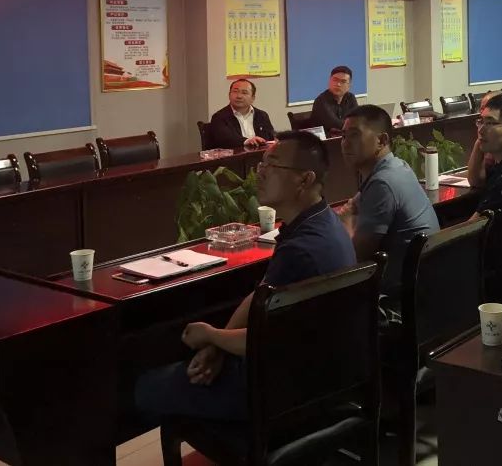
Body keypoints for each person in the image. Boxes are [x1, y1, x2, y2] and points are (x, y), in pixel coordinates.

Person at [134, 132, 356, 422]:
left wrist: (212, 335)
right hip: (314, 379)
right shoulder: (323, 221)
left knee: (144, 386)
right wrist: (219, 345)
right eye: (261, 164)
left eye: (272, 165)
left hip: (280, 394)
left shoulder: (303, 249)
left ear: (304, 179)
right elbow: (261, 294)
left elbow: (268, 339)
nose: (260, 173)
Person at [337, 105, 438, 294]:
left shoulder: (382, 182)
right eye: (343, 136)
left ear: (382, 140)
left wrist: (346, 223)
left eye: (354, 135)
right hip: (425, 281)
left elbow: (354, 258)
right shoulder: (397, 165)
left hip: (401, 293)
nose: (345, 143)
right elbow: (354, 203)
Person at [207, 78, 275, 150]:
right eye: (235, 91)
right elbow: (225, 139)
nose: (239, 96)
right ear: (229, 95)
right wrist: (246, 141)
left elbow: (270, 138)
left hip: (260, 155)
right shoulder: (219, 117)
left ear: (253, 98)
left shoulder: (262, 115)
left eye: (244, 93)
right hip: (234, 156)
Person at [309, 65, 359, 133]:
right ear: (329, 81)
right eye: (335, 80)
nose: (338, 84)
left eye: (343, 81)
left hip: (345, 136)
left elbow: (358, 120)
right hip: (325, 139)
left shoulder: (351, 97)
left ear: (349, 85)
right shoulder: (321, 101)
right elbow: (336, 124)